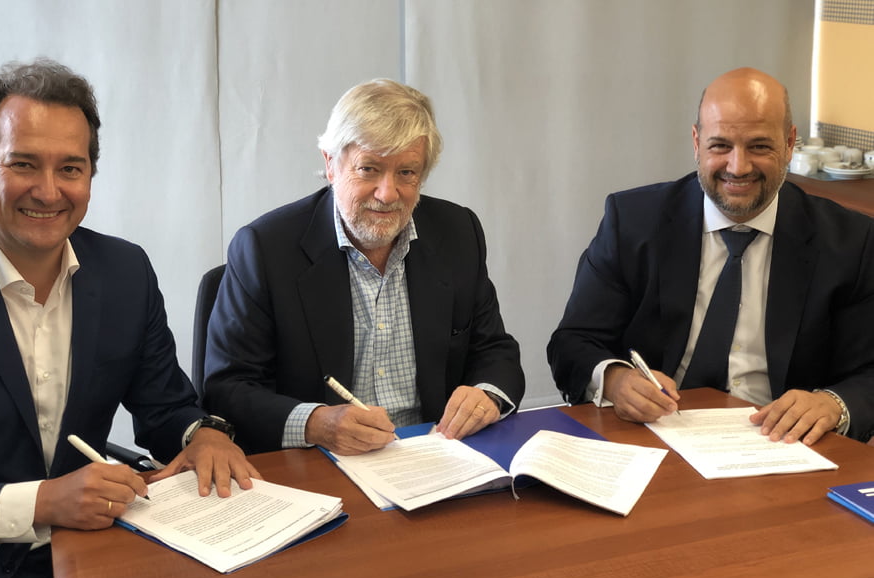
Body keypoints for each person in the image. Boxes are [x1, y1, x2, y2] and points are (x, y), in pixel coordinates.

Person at [0, 59, 260, 578]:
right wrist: (44, 502)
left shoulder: (125, 271)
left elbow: (164, 405)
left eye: (71, 168)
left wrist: (201, 434)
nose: (48, 190)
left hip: (100, 546)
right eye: (23, 163)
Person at [548, 67, 874, 447]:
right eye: (720, 146)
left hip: (782, 444)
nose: (738, 167)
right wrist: (616, 380)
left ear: (789, 143)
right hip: (656, 437)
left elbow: (869, 373)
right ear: (696, 142)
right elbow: (573, 343)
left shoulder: (850, 241)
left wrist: (833, 404)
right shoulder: (633, 222)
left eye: (759, 146)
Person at [204, 78, 525, 456]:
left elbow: (494, 349)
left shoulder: (457, 232)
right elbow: (228, 388)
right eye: (369, 169)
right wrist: (315, 423)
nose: (387, 194)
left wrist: (486, 395)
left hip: (435, 455)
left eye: (407, 173)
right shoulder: (265, 248)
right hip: (319, 462)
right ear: (331, 164)